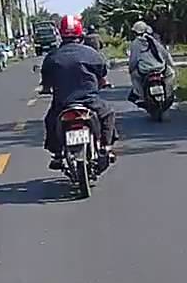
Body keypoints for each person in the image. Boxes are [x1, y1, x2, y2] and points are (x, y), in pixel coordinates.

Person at [41, 14, 117, 169]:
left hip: (62, 103)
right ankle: (106, 147)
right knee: (108, 114)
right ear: (80, 33)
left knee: (50, 120)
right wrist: (103, 82)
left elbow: (46, 82)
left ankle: (57, 154)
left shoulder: (52, 57)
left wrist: (46, 89)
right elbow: (102, 73)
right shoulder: (91, 53)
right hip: (89, 101)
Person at [127, 20, 175, 105]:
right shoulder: (153, 40)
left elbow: (133, 60)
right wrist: (171, 64)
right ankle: (169, 94)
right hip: (160, 68)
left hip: (145, 70)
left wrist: (131, 69)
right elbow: (164, 53)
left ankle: (141, 96)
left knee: (135, 77)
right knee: (170, 74)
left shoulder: (135, 43)